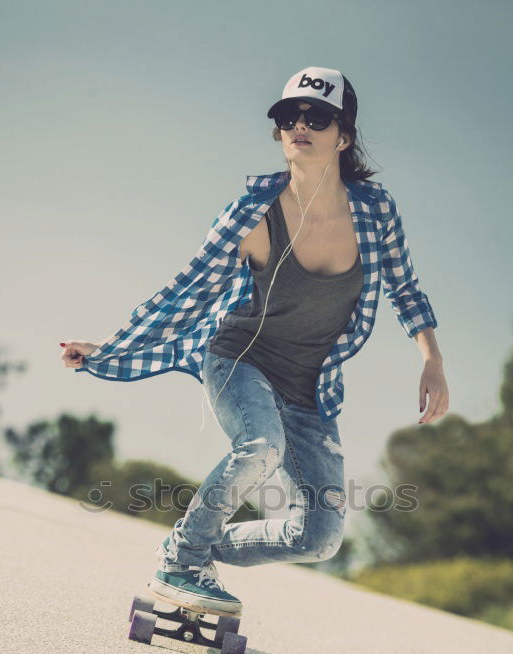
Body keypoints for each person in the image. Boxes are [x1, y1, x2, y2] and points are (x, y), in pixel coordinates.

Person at [61, 66, 449, 617]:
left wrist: (432, 360)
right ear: (278, 131)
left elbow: (406, 287)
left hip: (310, 387)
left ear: (343, 135)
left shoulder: (375, 212)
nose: (300, 125)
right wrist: (109, 344)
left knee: (319, 537)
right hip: (238, 359)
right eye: (288, 117)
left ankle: (190, 546)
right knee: (260, 448)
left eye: (317, 116)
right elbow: (186, 290)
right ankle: (180, 565)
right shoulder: (252, 212)